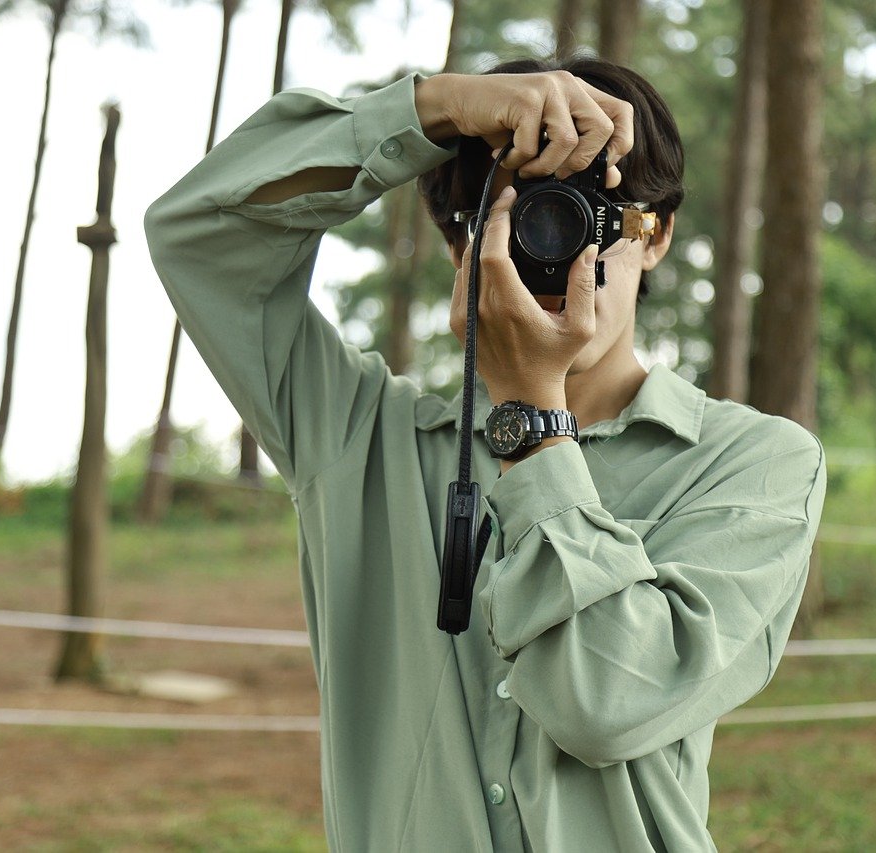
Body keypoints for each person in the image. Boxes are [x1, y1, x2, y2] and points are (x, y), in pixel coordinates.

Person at [144, 55, 826, 853]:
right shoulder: (359, 435)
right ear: (458, 243)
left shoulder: (754, 463)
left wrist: (530, 416)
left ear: (657, 234)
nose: (550, 243)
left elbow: (608, 702)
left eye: (588, 212)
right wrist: (436, 109)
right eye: (509, 215)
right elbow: (200, 230)